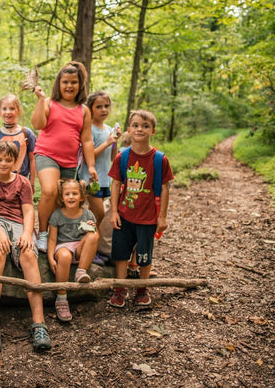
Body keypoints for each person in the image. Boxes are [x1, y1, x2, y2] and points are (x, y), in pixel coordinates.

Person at [0, 141, 51, 352]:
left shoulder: (23, 183)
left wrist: (28, 233)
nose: (3, 163)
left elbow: (29, 211)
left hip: (19, 223)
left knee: (28, 253)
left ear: (15, 162)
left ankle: (39, 323)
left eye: (8, 160)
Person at [108, 110, 174, 308]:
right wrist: (113, 212)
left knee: (145, 255)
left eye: (145, 126)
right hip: (124, 215)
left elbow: (164, 188)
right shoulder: (123, 157)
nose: (140, 129)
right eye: (135, 125)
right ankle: (120, 288)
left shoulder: (160, 159)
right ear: (129, 130)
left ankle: (142, 289)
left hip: (148, 218)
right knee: (120, 254)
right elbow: (116, 185)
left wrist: (162, 217)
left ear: (152, 130)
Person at [30, 61, 98, 253]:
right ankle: (42, 233)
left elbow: (86, 140)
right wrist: (41, 100)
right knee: (50, 191)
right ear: (58, 84)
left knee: (62, 200)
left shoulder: (84, 110)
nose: (69, 86)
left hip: (69, 161)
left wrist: (91, 166)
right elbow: (37, 124)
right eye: (65, 82)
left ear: (80, 85)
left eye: (74, 82)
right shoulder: (50, 103)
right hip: (46, 154)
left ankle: (57, 237)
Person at [47, 179, 99, 322]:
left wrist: (92, 227)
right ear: (62, 198)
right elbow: (52, 239)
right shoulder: (57, 215)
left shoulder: (87, 214)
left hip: (80, 248)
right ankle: (61, 298)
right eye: (67, 194)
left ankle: (81, 271)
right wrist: (51, 257)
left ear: (81, 197)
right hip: (63, 247)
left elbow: (94, 237)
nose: (71, 197)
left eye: (75, 193)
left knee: (94, 235)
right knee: (64, 256)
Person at [78, 91, 121, 231]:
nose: (104, 110)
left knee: (93, 214)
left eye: (106, 106)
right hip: (91, 179)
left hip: (104, 179)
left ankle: (85, 237)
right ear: (90, 109)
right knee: (99, 214)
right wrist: (107, 142)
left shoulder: (108, 129)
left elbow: (112, 157)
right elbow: (88, 156)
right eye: (99, 107)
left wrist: (114, 141)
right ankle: (83, 233)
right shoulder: (89, 129)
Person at [0, 94, 37, 191]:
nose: (8, 112)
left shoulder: (26, 133)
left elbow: (32, 159)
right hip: (1, 182)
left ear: (18, 111)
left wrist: (32, 182)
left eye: (12, 108)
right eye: (4, 109)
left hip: (22, 180)